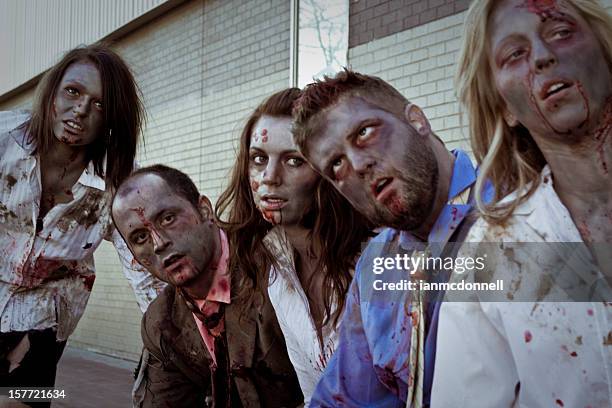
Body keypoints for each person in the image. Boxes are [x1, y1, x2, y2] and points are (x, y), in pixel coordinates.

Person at [431, 0, 612, 406]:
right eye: (515, 53)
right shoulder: (495, 245)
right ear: (504, 108)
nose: (544, 57)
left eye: (562, 32)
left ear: (605, 50)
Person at [292, 70, 490, 407]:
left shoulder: (516, 211)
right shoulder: (376, 266)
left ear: (417, 120)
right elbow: (348, 397)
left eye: (364, 132)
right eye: (336, 164)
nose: (357, 165)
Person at [0, 44, 163, 397]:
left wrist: (169, 347)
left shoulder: (119, 185)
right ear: (53, 92)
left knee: (26, 400)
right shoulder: (3, 140)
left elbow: (147, 276)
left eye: (99, 104)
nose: (80, 110)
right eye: (73, 92)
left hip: (46, 316)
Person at [215, 88, 372, 404]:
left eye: (293, 160)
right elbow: (316, 393)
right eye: (259, 159)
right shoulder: (277, 274)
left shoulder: (377, 254)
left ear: (329, 168)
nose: (270, 177)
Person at [112, 164, 303, 408]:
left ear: (204, 210)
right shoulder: (160, 323)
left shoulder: (275, 267)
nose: (158, 243)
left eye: (168, 218)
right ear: (135, 258)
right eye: (140, 237)